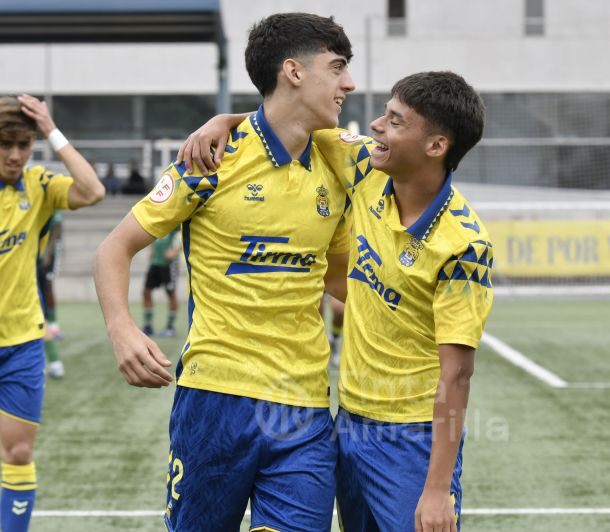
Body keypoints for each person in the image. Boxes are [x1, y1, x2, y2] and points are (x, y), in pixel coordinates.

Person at [181, 71, 493, 532]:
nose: (376, 126)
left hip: (411, 437)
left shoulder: (464, 245)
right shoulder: (367, 167)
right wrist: (225, 120)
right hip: (347, 427)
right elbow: (291, 115)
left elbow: (458, 372)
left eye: (395, 120)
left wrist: (436, 488)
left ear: (436, 146)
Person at [93, 13, 355, 531]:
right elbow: (114, 248)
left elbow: (341, 280)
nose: (349, 83)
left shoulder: (336, 163)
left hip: (303, 410)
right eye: (338, 67)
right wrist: (122, 330)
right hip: (215, 400)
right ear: (294, 72)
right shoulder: (211, 159)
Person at [0, 94, 104, 532]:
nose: (15, 155)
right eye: (6, 145)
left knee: (19, 454)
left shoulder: (37, 185)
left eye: (24, 145)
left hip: (21, 343)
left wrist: (50, 130)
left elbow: (92, 190)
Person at [37, 210, 66, 378]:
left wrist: (48, 252)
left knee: (38, 314)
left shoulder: (46, 194)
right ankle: (54, 363)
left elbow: (57, 227)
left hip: (39, 259)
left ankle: (54, 363)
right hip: (32, 260)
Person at [142, 228, 181, 337]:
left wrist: (175, 251)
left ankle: (170, 327)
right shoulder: (157, 219)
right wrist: (151, 250)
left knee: (170, 293)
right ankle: (148, 326)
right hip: (155, 262)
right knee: (146, 292)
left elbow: (186, 233)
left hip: (169, 264)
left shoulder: (175, 221)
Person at [320, 293, 345, 366]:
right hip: (315, 282)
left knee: (339, 310)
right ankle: (320, 344)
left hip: (333, 282)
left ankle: (334, 338)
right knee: (316, 310)